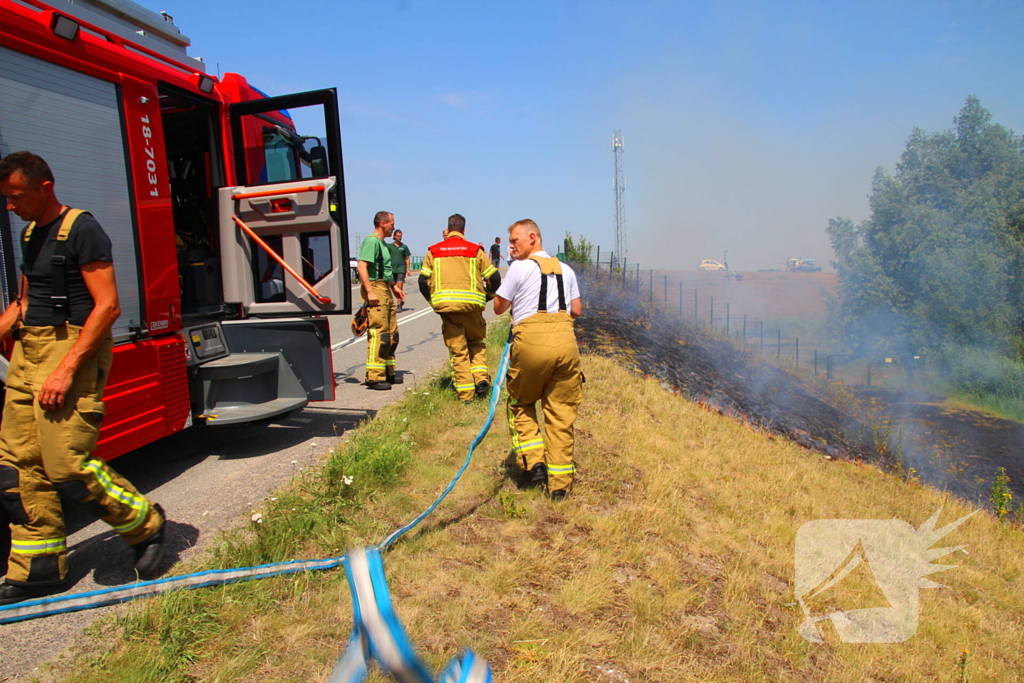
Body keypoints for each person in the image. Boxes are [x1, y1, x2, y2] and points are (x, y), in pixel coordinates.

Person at [0, 151, 166, 604]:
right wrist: (7, 322)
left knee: (67, 467)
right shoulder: (31, 232)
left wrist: (65, 370)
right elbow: (27, 296)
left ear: (44, 188)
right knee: (16, 470)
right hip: (29, 350)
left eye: (16, 197)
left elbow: (107, 306)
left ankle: (146, 525)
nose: (10, 207)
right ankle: (38, 566)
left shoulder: (84, 230)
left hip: (69, 348)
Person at [493, 219, 583, 500]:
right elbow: (577, 310)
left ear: (532, 237)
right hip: (567, 345)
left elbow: (498, 308)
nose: (511, 247)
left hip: (532, 344)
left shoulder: (519, 268)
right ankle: (560, 487)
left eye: (515, 241)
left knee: (521, 401)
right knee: (560, 414)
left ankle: (534, 463)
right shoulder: (566, 270)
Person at [419, 214, 500, 403]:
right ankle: (480, 380)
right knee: (476, 343)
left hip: (448, 310)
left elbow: (423, 281)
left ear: (447, 230)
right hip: (472, 308)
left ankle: (465, 395)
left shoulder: (434, 251)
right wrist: (487, 296)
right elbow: (494, 278)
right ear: (464, 230)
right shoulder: (475, 250)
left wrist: (433, 302)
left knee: (459, 351)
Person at [358, 211, 403, 390]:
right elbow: (362, 267)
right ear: (383, 223)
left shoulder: (383, 244)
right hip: (375, 287)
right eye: (392, 224)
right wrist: (370, 292)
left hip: (385, 287)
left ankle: (388, 372)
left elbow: (385, 269)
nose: (394, 227)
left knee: (392, 333)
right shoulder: (372, 242)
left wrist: (394, 287)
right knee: (379, 332)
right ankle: (374, 377)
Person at [387, 229, 412, 313]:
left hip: (401, 269)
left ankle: (398, 304)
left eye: (400, 236)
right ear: (394, 236)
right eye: (398, 236)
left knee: (400, 286)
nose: (399, 237)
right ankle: (400, 300)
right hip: (392, 269)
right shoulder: (389, 246)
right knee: (394, 288)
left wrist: (408, 269)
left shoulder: (404, 247)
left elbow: (407, 258)